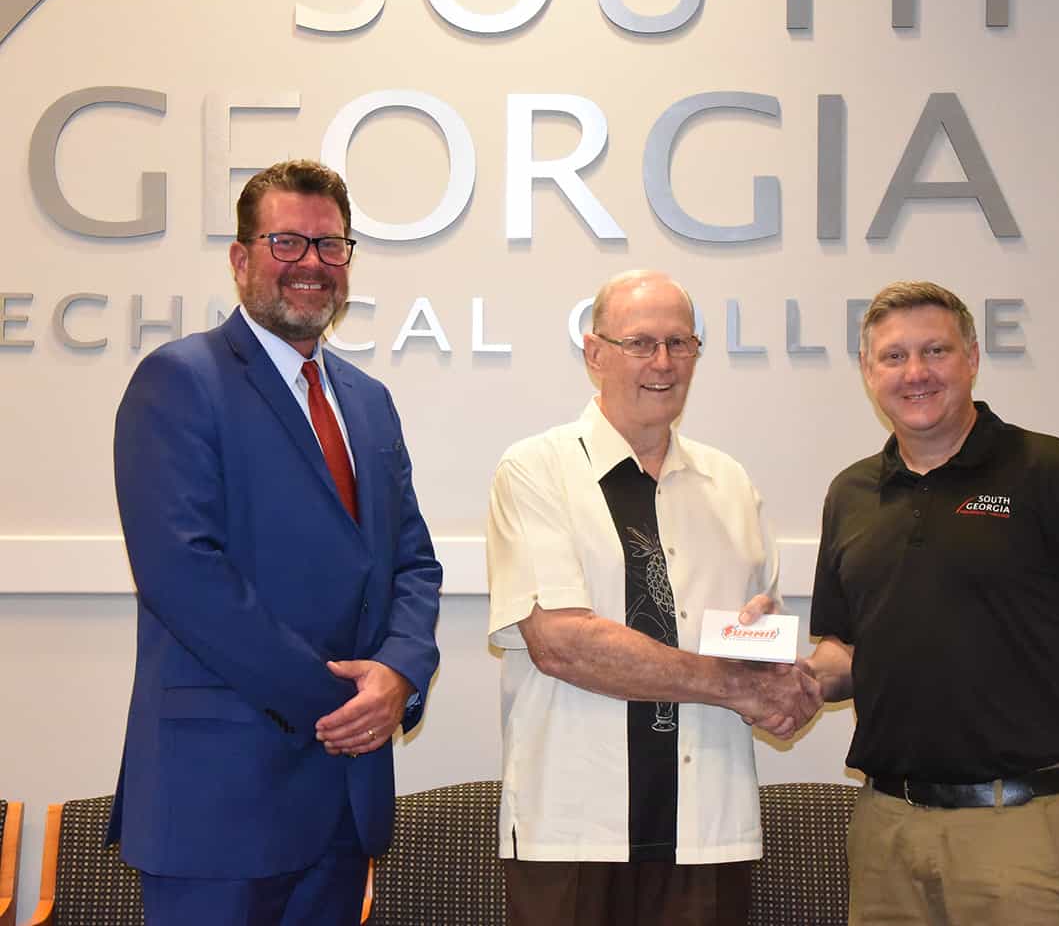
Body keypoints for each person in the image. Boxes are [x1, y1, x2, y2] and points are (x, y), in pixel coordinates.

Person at [108, 159, 442, 926]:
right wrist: (346, 704)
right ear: (240, 258)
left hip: (342, 809)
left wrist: (399, 672)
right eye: (287, 243)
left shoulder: (368, 400)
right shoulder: (179, 380)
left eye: (331, 247)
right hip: (219, 801)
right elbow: (184, 576)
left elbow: (411, 562)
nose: (312, 266)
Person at [797, 280, 1059, 924]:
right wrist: (781, 680)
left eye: (935, 351)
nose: (916, 374)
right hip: (886, 832)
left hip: (1022, 833)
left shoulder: (1055, 475)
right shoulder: (850, 495)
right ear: (866, 371)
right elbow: (845, 651)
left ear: (972, 358)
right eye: (894, 356)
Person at [486, 269, 822, 926]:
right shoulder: (536, 469)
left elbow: (760, 634)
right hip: (572, 834)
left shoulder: (731, 484)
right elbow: (563, 644)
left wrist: (783, 682)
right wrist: (737, 686)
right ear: (595, 353)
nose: (663, 363)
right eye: (641, 343)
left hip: (709, 833)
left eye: (680, 343)